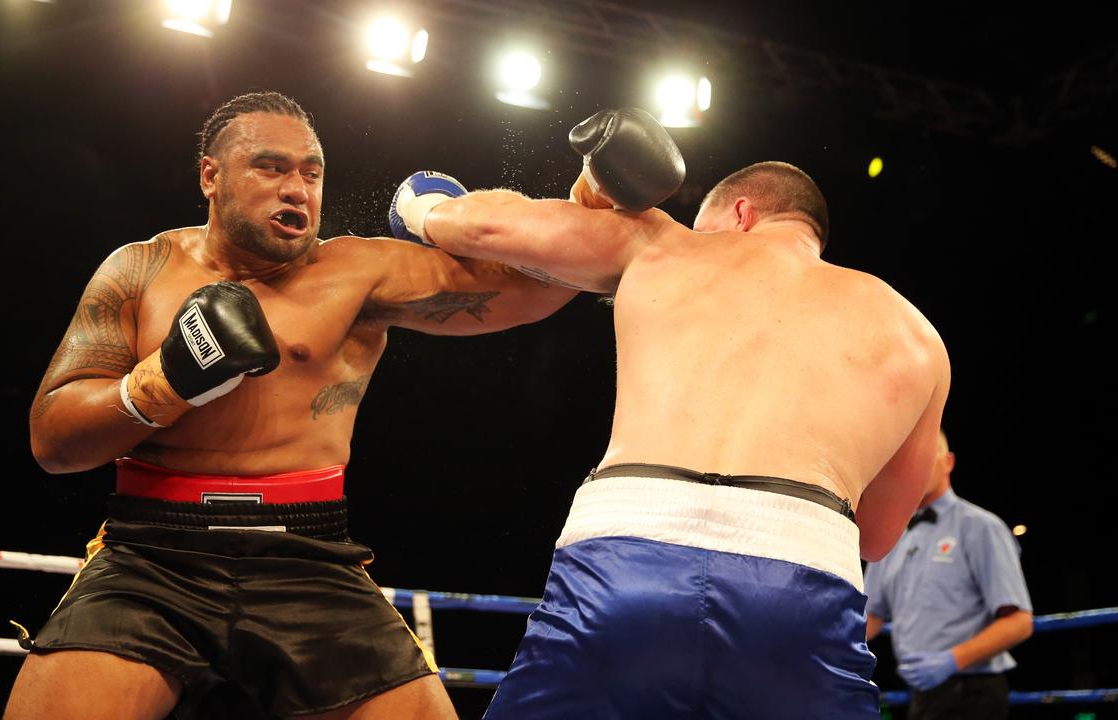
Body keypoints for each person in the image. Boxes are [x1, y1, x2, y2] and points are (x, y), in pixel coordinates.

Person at [3, 91, 576, 720]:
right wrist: (164, 381)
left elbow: (539, 287)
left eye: (311, 172)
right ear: (211, 176)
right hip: (151, 557)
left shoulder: (359, 273)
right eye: (272, 168)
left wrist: (449, 220)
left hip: (309, 557)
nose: (297, 189)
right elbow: (52, 442)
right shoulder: (140, 270)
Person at [388, 108, 951, 718]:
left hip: (624, 559)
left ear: (740, 215)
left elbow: (481, 227)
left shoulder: (661, 242)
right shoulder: (917, 337)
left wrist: (422, 205)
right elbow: (878, 535)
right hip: (801, 579)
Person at [864, 430, 1033, 719]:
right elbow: (871, 617)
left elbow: (1020, 622)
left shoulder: (981, 527)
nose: (919, 464)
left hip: (973, 691)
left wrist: (952, 660)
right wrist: (824, 649)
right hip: (921, 692)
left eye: (930, 454)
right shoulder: (890, 536)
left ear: (949, 462)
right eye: (909, 459)